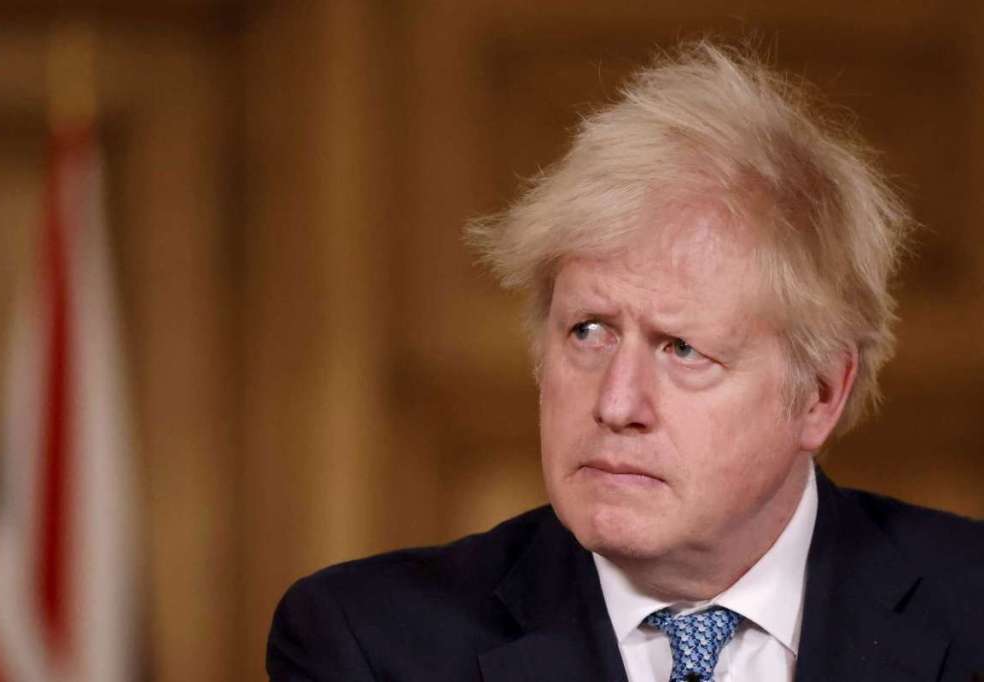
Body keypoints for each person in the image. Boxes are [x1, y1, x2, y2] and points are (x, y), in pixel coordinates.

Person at [266, 42, 984, 682]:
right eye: (588, 331)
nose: (615, 404)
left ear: (821, 393)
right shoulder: (368, 645)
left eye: (681, 349)